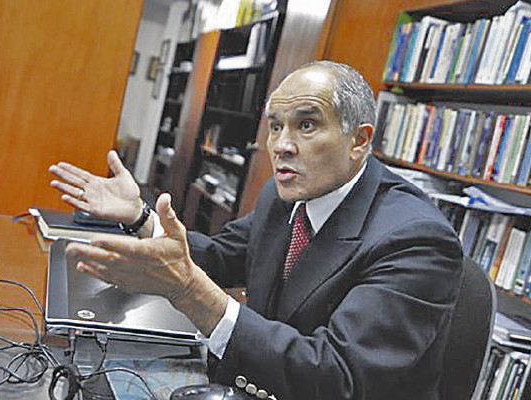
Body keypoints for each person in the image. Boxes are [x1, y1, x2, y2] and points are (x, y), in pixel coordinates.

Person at [49, 61, 463, 400]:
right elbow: (218, 258)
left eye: (306, 125)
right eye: (275, 126)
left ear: (358, 140)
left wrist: (190, 291)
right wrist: (140, 216)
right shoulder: (283, 196)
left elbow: (338, 377)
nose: (281, 145)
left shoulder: (416, 239)